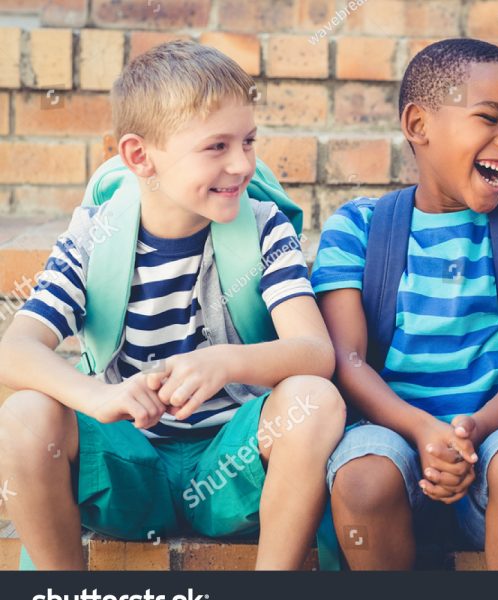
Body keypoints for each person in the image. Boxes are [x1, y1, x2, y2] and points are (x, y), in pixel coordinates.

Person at [0, 41, 345, 570]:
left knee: (313, 399)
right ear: (140, 156)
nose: (243, 164)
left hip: (235, 473)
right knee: (23, 413)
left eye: (249, 141)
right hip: (128, 468)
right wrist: (97, 396)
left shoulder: (263, 227)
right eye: (217, 147)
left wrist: (226, 361)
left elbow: (316, 352)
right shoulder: (96, 235)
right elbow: (15, 351)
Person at [311, 38, 498, 570]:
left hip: (497, 446)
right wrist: (421, 432)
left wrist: (471, 430)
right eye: (489, 119)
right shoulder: (358, 228)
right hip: (394, 450)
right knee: (362, 475)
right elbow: (347, 358)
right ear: (418, 125)